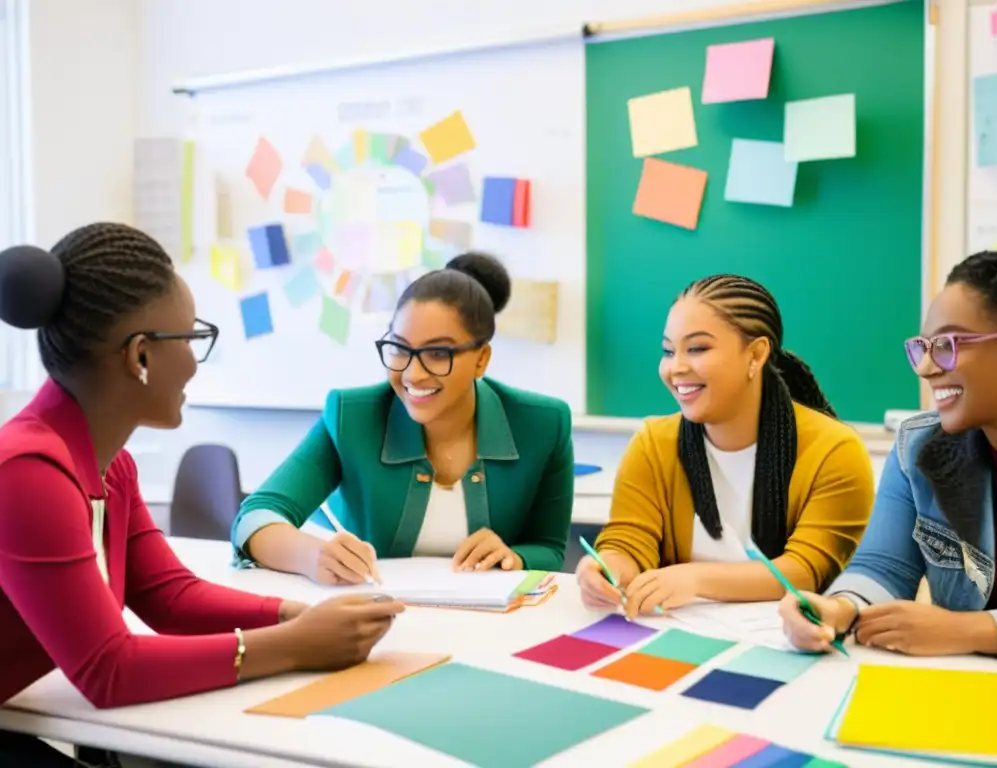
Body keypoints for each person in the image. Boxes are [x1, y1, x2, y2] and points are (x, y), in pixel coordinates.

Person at [0, 224, 404, 767]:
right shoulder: (28, 473)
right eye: (190, 339)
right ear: (140, 355)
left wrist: (297, 615)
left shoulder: (109, 466)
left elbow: (170, 597)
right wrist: (298, 645)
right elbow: (107, 671)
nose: (194, 362)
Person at [231, 252, 574, 583]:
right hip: (376, 618)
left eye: (438, 353)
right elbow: (255, 517)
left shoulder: (544, 424)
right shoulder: (352, 417)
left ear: (482, 359)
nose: (413, 374)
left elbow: (550, 548)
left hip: (492, 625)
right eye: (399, 348)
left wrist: (515, 557)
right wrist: (312, 556)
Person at [578, 274, 876, 618]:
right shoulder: (652, 443)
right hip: (678, 640)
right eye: (668, 351)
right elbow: (629, 540)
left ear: (756, 354)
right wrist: (608, 568)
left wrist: (695, 580)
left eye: (698, 349)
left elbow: (805, 570)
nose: (676, 368)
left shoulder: (834, 451)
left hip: (795, 642)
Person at [780, 250, 997, 667]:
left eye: (948, 344)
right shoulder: (918, 448)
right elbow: (883, 567)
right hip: (976, 695)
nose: (926, 367)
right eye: (922, 347)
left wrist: (973, 631)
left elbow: (959, 631)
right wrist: (840, 608)